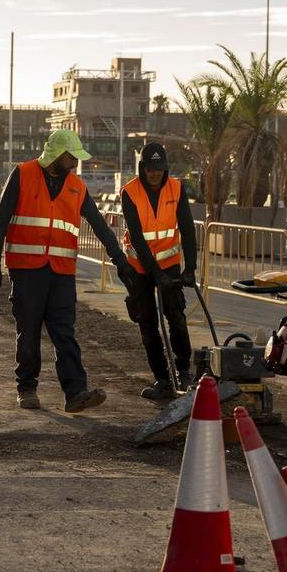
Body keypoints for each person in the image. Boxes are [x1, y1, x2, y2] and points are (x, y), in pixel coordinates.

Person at [0, 130, 136, 413]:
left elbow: (99, 226)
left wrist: (120, 260)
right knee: (28, 330)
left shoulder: (77, 186)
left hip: (62, 272)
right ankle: (27, 388)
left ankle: (76, 392)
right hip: (27, 270)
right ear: (57, 155)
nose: (75, 164)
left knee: (64, 331)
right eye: (71, 158)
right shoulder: (22, 174)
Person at [119, 143, 199, 400]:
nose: (156, 174)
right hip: (139, 266)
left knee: (175, 314)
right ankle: (162, 379)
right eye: (151, 169)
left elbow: (187, 228)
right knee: (148, 323)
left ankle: (185, 372)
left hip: (169, 261)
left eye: (160, 169)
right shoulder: (129, 192)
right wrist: (155, 272)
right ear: (143, 168)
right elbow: (137, 238)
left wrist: (191, 268)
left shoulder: (176, 188)